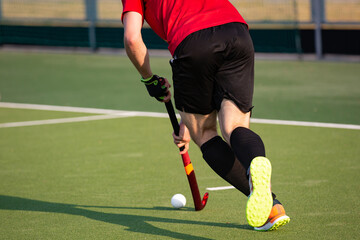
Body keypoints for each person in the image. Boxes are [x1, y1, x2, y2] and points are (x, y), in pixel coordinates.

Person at [121, 0, 290, 231]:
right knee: (235, 127)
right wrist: (185, 120)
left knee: (205, 133)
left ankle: (271, 205)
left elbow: (132, 38)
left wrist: (149, 79)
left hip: (191, 40)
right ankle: (256, 166)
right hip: (236, 32)